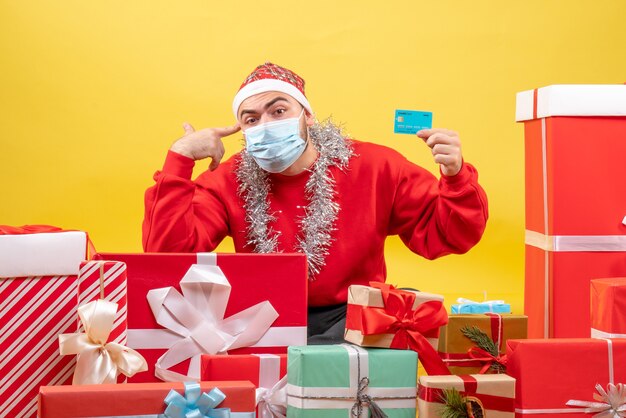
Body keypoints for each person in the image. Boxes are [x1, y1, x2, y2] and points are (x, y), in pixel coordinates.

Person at [143, 62, 488, 343]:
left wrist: (455, 176)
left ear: (307, 115)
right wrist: (180, 158)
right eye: (252, 119)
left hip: (351, 316)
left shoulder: (375, 165)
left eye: (278, 110)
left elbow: (449, 236)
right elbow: (168, 254)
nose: (266, 125)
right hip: (259, 317)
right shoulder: (228, 179)